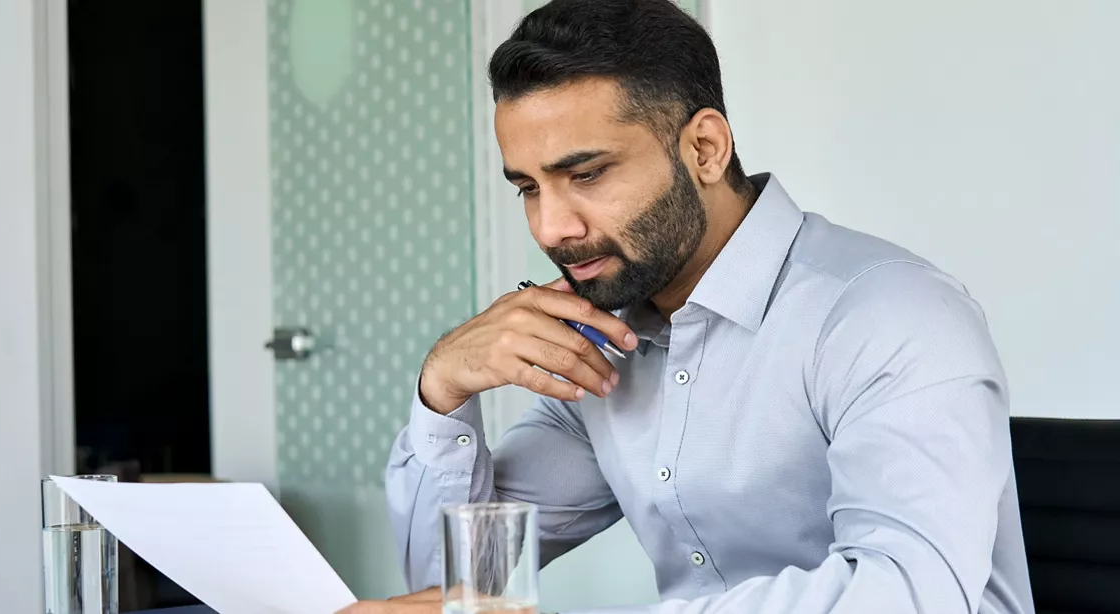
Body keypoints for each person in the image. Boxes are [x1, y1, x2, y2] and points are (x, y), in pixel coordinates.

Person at [341, 0, 1034, 612]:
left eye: (586, 175)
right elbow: (458, 586)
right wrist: (444, 387)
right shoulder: (604, 348)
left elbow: (910, 597)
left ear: (704, 147)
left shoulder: (886, 315)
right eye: (528, 187)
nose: (551, 228)